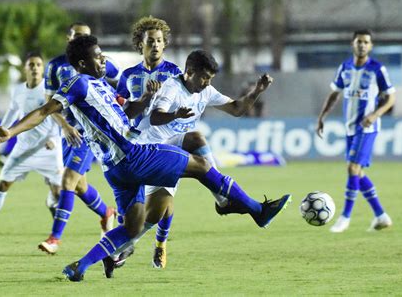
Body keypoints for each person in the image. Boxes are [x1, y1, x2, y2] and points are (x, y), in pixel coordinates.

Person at [0, 35, 291, 282]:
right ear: (82, 63)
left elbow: (126, 115)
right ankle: (255, 210)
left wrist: (144, 100)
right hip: (134, 154)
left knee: (133, 227)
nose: (103, 59)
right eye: (97, 56)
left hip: (116, 170)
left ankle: (81, 265)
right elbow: (44, 111)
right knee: (200, 164)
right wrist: (9, 131)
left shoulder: (101, 86)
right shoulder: (78, 84)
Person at [105, 50, 276, 276]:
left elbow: (236, 109)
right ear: (190, 71)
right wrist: (176, 115)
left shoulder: (205, 91)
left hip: (173, 147)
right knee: (155, 213)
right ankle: (115, 251)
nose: (207, 83)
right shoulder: (171, 87)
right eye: (204, 77)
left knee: (196, 138)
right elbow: (156, 117)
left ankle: (225, 199)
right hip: (148, 151)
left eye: (210, 78)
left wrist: (257, 91)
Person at [38, 21, 120, 254]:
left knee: (68, 180)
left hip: (90, 131)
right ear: (69, 38)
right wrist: (64, 126)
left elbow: (121, 82)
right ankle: (106, 213)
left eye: (86, 36)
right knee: (79, 185)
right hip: (69, 132)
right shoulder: (55, 66)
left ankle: (55, 239)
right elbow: (48, 104)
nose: (81, 40)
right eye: (77, 37)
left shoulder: (101, 62)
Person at [115, 15, 184, 268]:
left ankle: (159, 243)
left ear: (164, 44)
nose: (155, 45)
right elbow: (119, 112)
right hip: (135, 145)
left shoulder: (175, 73)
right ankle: (128, 241)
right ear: (140, 45)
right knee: (137, 201)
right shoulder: (128, 76)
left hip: (165, 141)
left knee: (163, 199)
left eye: (159, 41)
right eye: (149, 41)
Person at [316, 29, 395, 233]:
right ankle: (381, 216)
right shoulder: (345, 68)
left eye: (366, 42)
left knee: (352, 169)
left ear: (371, 46)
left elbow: (391, 98)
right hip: (350, 128)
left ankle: (345, 217)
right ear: (353, 44)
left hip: (367, 128)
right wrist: (322, 116)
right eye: (359, 41)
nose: (362, 45)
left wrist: (375, 115)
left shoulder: (378, 69)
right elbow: (334, 93)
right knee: (358, 173)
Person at [0, 52, 63, 235]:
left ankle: (50, 205)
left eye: (39, 64)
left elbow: (59, 117)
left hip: (47, 149)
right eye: (31, 64)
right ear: (25, 68)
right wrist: (2, 131)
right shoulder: (18, 90)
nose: (35, 68)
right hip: (23, 148)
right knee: (3, 184)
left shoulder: (50, 90)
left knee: (58, 193)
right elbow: (13, 111)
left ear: (43, 68)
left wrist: (54, 139)